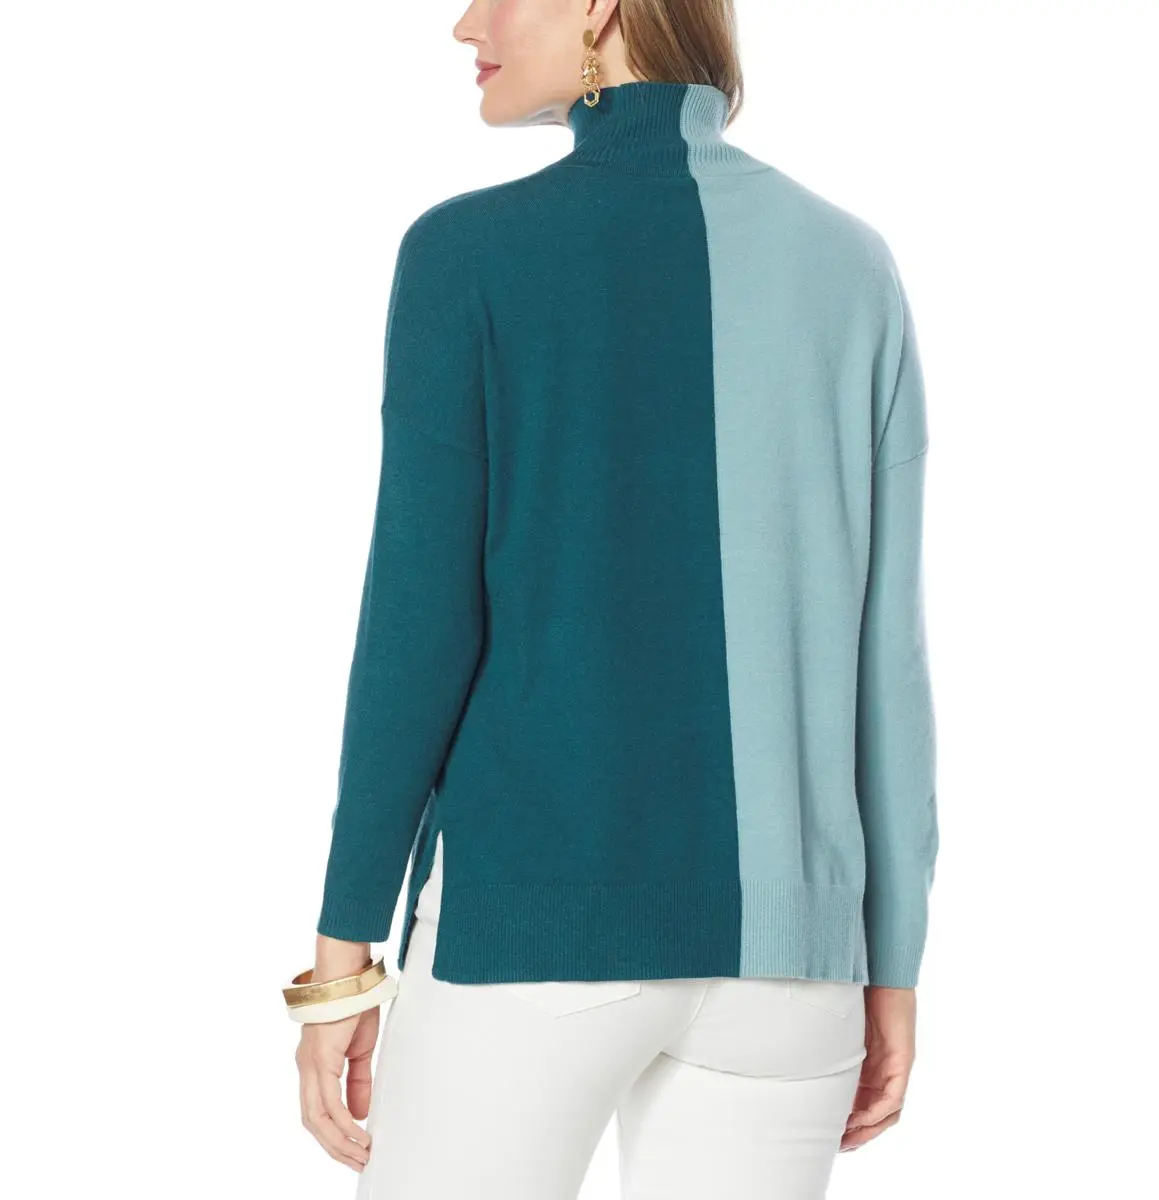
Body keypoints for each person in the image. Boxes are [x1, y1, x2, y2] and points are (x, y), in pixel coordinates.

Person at [285, 2, 939, 1197]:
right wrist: (889, 963)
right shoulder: (855, 265)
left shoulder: (468, 254)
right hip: (795, 968)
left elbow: (417, 628)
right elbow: (884, 663)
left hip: (533, 935)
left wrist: (343, 955)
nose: (465, 24)